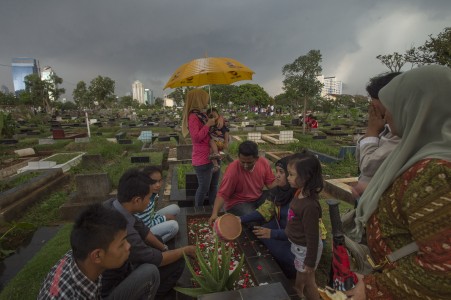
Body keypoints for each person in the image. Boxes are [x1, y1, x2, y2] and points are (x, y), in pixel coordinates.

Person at [346, 65, 451, 300]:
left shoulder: (435, 174)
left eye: (391, 107)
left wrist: (374, 289)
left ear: (417, 107)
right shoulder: (424, 155)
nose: (386, 115)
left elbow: (443, 273)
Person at [102, 168, 196, 298]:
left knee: (157, 239)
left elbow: (144, 230)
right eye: (148, 198)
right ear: (137, 200)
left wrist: (164, 248)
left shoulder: (114, 204)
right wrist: (186, 250)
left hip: (121, 268)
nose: (149, 202)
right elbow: (156, 259)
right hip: (112, 290)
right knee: (153, 269)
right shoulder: (125, 233)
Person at [38, 204, 160, 300]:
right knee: (150, 272)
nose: (128, 246)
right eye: (122, 244)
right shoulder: (70, 296)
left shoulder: (81, 257)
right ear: (97, 255)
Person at [240, 155, 297, 278]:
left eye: (281, 172)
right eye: (276, 171)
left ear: (291, 174)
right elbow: (264, 210)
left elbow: (299, 233)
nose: (276, 175)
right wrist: (240, 219)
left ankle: (290, 272)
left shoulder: (299, 198)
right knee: (259, 231)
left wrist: (272, 233)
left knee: (280, 251)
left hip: (298, 240)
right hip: (282, 230)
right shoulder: (279, 192)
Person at [352, 72, 402, 201]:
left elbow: (368, 167)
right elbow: (361, 161)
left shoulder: (401, 135)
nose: (372, 109)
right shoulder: (386, 129)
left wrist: (372, 131)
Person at [285, 150, 324, 300]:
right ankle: (298, 291)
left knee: (309, 281)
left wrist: (310, 261)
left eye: (292, 174)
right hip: (299, 246)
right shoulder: (299, 192)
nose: (288, 178)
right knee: (301, 275)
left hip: (306, 249)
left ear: (306, 177)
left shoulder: (309, 206)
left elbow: (313, 237)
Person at [208, 140, 277, 224]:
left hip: (258, 197)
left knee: (276, 204)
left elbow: (270, 185)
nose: (245, 165)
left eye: (249, 162)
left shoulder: (263, 163)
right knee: (253, 220)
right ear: (238, 157)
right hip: (239, 203)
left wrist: (282, 179)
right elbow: (222, 194)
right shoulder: (232, 170)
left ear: (257, 158)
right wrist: (214, 214)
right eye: (242, 162)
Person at [181, 89, 222, 207]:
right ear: (198, 100)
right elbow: (196, 138)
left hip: (215, 155)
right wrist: (208, 125)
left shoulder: (202, 114)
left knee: (214, 185)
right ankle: (197, 210)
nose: (207, 101)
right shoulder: (193, 117)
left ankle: (212, 208)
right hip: (203, 159)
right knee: (204, 188)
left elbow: (214, 128)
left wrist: (219, 119)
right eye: (204, 98)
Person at [134, 165, 180, 246]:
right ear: (145, 181)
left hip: (150, 219)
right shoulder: (143, 199)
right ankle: (154, 244)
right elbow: (146, 225)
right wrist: (165, 218)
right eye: (153, 182)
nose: (158, 185)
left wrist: (163, 218)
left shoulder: (152, 193)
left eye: (159, 181)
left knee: (175, 208)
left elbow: (151, 214)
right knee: (174, 226)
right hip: (145, 231)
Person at [206, 107, 230, 173]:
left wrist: (226, 143)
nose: (213, 118)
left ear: (218, 116)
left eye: (215, 116)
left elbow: (226, 132)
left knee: (211, 141)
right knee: (211, 151)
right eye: (211, 116)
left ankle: (216, 153)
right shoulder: (209, 124)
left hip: (221, 141)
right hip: (215, 143)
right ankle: (216, 165)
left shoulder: (220, 124)